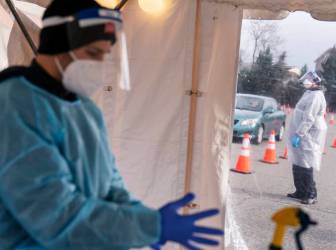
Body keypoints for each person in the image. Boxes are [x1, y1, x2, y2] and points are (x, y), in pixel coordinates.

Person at [0, 0, 222, 249]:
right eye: (94, 54)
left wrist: (144, 222)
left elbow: (111, 188)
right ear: (58, 45)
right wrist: (151, 225)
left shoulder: (86, 110)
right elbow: (57, 217)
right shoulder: (14, 105)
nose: (99, 66)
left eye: (104, 56)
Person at [287, 71, 327, 205]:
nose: (306, 81)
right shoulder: (309, 92)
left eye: (309, 79)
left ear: (316, 81)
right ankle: (300, 191)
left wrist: (300, 134)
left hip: (309, 133)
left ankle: (311, 194)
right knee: (297, 160)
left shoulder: (316, 96)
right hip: (301, 131)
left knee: (306, 162)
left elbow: (309, 118)